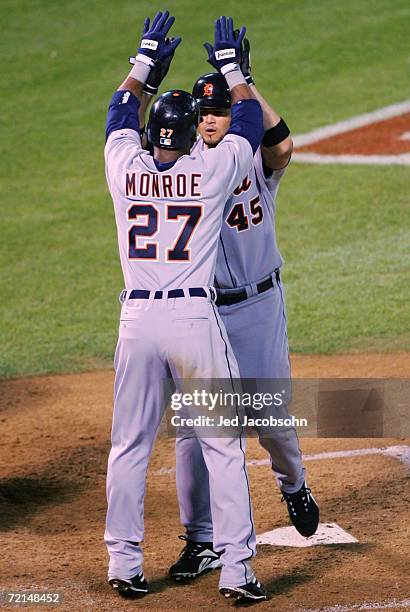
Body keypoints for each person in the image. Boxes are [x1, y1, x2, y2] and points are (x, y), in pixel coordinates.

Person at [104, 11, 267, 602]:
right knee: (222, 445)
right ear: (193, 131)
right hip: (194, 321)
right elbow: (247, 121)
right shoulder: (211, 169)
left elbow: (118, 114)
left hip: (137, 320)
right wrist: (233, 71)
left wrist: (143, 63)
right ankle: (236, 570)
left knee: (130, 445)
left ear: (152, 138)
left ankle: (123, 563)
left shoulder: (124, 169)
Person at [167, 38, 320, 581]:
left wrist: (243, 79)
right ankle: (201, 540)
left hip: (258, 304)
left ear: (236, 114)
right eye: (204, 112)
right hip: (204, 312)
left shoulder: (251, 157)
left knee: (270, 418)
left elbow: (282, 143)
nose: (212, 120)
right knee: (193, 426)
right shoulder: (180, 171)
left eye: (222, 111)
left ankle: (294, 485)